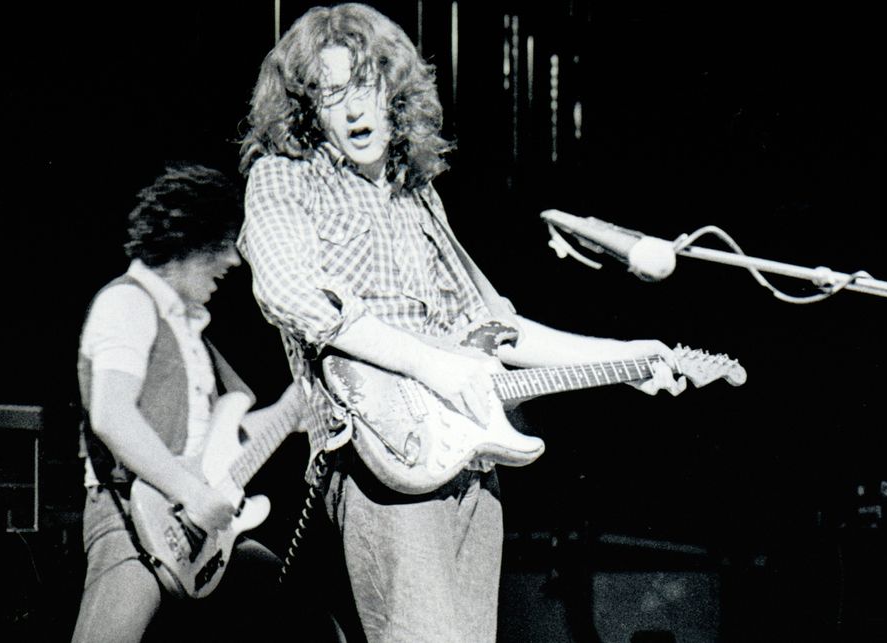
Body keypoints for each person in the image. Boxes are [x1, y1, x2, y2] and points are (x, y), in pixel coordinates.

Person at [236, 3, 686, 641]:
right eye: (332, 94)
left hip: (467, 462)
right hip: (384, 463)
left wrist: (625, 356)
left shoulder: (419, 198)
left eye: (365, 85)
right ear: (310, 109)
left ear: (395, 91)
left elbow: (497, 329)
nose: (355, 109)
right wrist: (429, 362)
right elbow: (288, 292)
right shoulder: (286, 180)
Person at [72, 163, 311, 642]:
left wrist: (293, 412)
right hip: (131, 518)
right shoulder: (127, 303)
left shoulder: (189, 330)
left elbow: (220, 441)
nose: (235, 261)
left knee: (304, 621)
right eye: (224, 244)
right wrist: (194, 493)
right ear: (188, 239)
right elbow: (111, 414)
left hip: (199, 530)